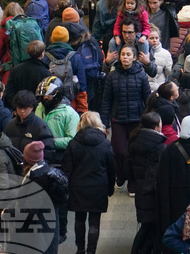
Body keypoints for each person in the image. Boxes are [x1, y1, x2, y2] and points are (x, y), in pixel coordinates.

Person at [63, 111, 115, 254]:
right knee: (94, 222)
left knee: (79, 219)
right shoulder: (105, 143)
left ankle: (80, 249)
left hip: (78, 187)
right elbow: (111, 168)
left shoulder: (73, 143)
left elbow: (67, 169)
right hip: (98, 186)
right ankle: (91, 250)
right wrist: (110, 188)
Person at [99, 43, 150, 188]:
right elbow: (106, 100)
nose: (125, 57)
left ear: (134, 58)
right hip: (118, 119)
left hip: (136, 119)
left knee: (134, 153)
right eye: (123, 54)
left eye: (128, 55)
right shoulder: (112, 76)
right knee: (119, 151)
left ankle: (133, 182)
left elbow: (147, 99)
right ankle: (121, 175)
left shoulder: (141, 75)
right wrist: (105, 123)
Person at [126, 112, 167, 254]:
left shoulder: (134, 140)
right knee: (150, 227)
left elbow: (128, 166)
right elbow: (157, 172)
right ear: (156, 127)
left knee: (146, 225)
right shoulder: (159, 147)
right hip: (152, 192)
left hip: (140, 188)